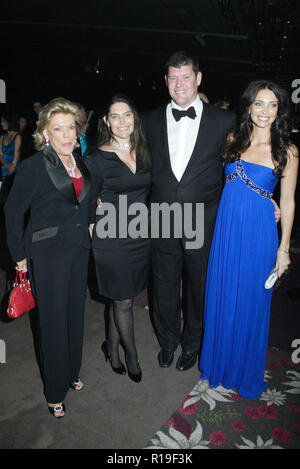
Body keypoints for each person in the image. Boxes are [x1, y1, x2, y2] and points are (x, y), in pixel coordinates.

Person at [199, 80, 298, 398]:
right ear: (249, 106)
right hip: (227, 231)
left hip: (259, 235)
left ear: (280, 110)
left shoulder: (288, 151)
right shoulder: (233, 138)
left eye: (272, 105)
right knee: (224, 293)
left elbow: (289, 201)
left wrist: (284, 248)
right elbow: (226, 183)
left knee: (252, 303)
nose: (265, 111)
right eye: (259, 103)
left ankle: (243, 370)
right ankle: (219, 364)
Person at [141, 51, 236, 371]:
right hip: (162, 217)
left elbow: (241, 167)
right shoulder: (149, 120)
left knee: (198, 287)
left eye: (185, 77)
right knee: (164, 283)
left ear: (198, 78)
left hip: (204, 218)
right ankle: (167, 342)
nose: (179, 84)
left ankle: (192, 345)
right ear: (165, 81)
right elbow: (133, 166)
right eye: (172, 77)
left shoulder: (225, 120)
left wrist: (268, 199)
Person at [5, 97, 92, 418]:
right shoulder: (33, 166)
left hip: (78, 250)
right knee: (53, 323)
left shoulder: (79, 160)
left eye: (71, 127)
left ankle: (71, 371)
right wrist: (19, 256)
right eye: (58, 129)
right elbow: (13, 213)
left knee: (74, 315)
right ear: (45, 132)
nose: (67, 135)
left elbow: (86, 203)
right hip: (48, 254)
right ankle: (54, 390)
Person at [85, 94, 151, 383]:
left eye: (127, 114)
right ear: (106, 121)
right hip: (111, 236)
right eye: (115, 116)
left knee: (120, 298)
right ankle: (131, 355)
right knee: (124, 301)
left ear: (134, 118)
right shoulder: (96, 157)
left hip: (140, 235)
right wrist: (91, 224)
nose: (122, 121)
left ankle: (111, 349)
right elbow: (85, 199)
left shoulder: (146, 149)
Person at [0, 111, 21, 182]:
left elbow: (16, 158)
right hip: (4, 169)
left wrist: (10, 170)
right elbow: (0, 155)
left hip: (15, 170)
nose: (1, 124)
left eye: (3, 121)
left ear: (9, 122)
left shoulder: (17, 136)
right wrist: (5, 165)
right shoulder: (2, 137)